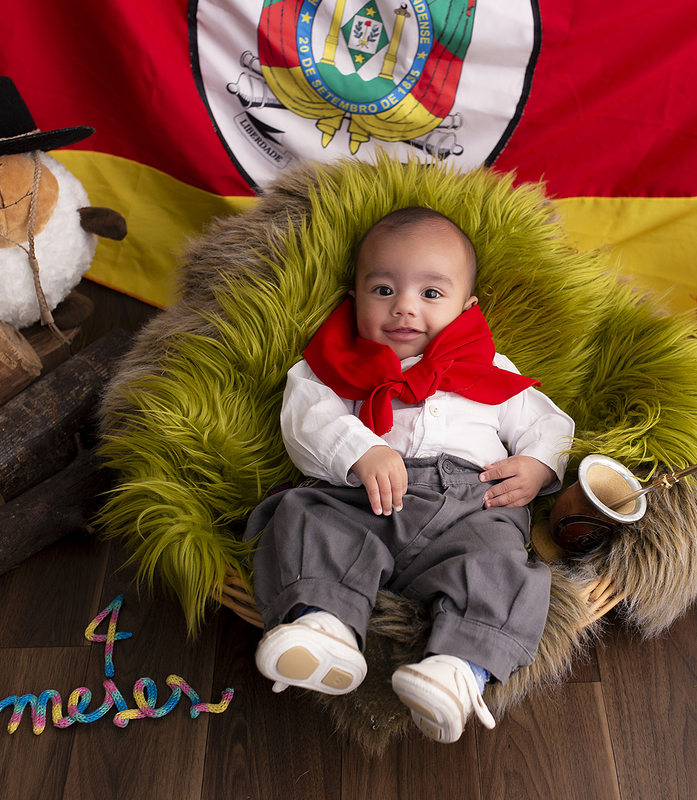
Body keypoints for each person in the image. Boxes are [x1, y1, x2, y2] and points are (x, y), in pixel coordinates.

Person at [244, 205, 575, 743]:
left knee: (500, 569)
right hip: (365, 502)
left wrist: (537, 468)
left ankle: (457, 670)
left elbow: (550, 423)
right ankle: (323, 626)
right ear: (353, 298)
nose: (403, 308)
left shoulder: (490, 368)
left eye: (430, 294)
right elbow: (305, 419)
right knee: (303, 516)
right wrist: (359, 452)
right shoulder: (333, 365)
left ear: (468, 308)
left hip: (474, 507)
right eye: (382, 290)